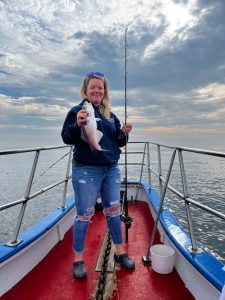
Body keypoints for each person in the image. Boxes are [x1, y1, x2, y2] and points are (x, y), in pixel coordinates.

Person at [61, 71, 135, 279]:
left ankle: (120, 252)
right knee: (84, 214)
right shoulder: (78, 111)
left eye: (100, 88)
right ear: (85, 90)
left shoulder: (111, 115)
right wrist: (77, 123)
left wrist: (124, 133)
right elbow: (67, 137)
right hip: (86, 169)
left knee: (113, 210)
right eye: (92, 87)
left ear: (104, 91)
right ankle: (78, 260)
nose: (96, 90)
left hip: (111, 169)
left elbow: (118, 142)